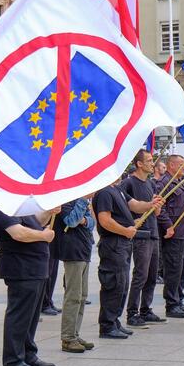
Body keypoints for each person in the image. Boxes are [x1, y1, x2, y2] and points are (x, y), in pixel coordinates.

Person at [0, 206, 57, 366]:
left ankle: (28, 354)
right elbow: (18, 233)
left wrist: (49, 211)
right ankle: (13, 359)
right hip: (21, 267)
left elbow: (35, 222)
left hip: (35, 266)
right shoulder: (2, 208)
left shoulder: (19, 206)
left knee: (31, 316)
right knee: (20, 315)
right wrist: (43, 236)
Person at [94, 177, 159, 339]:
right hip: (113, 243)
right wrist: (125, 230)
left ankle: (114, 321)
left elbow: (135, 205)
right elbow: (104, 220)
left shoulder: (117, 189)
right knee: (113, 283)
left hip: (123, 243)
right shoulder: (104, 192)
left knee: (122, 285)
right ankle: (107, 326)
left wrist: (151, 204)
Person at [120, 150, 166, 327]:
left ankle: (146, 310)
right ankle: (132, 313)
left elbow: (155, 211)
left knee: (152, 275)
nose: (152, 163)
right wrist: (131, 221)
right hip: (140, 234)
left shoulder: (150, 184)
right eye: (148, 160)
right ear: (139, 164)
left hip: (153, 232)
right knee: (141, 274)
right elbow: (122, 206)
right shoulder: (128, 183)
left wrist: (158, 205)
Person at [155, 154, 184, 319]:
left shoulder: (181, 183)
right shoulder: (165, 183)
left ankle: (179, 300)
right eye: (181, 165)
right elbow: (161, 207)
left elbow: (183, 204)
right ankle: (171, 304)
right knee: (173, 269)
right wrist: (167, 225)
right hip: (174, 232)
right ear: (171, 166)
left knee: (182, 268)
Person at [57, 196, 95, 353]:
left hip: (84, 250)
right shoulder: (66, 200)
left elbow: (92, 223)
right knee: (73, 295)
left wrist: (85, 220)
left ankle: (74, 333)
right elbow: (71, 221)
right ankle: (68, 337)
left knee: (82, 296)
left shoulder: (84, 202)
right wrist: (82, 203)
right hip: (72, 250)